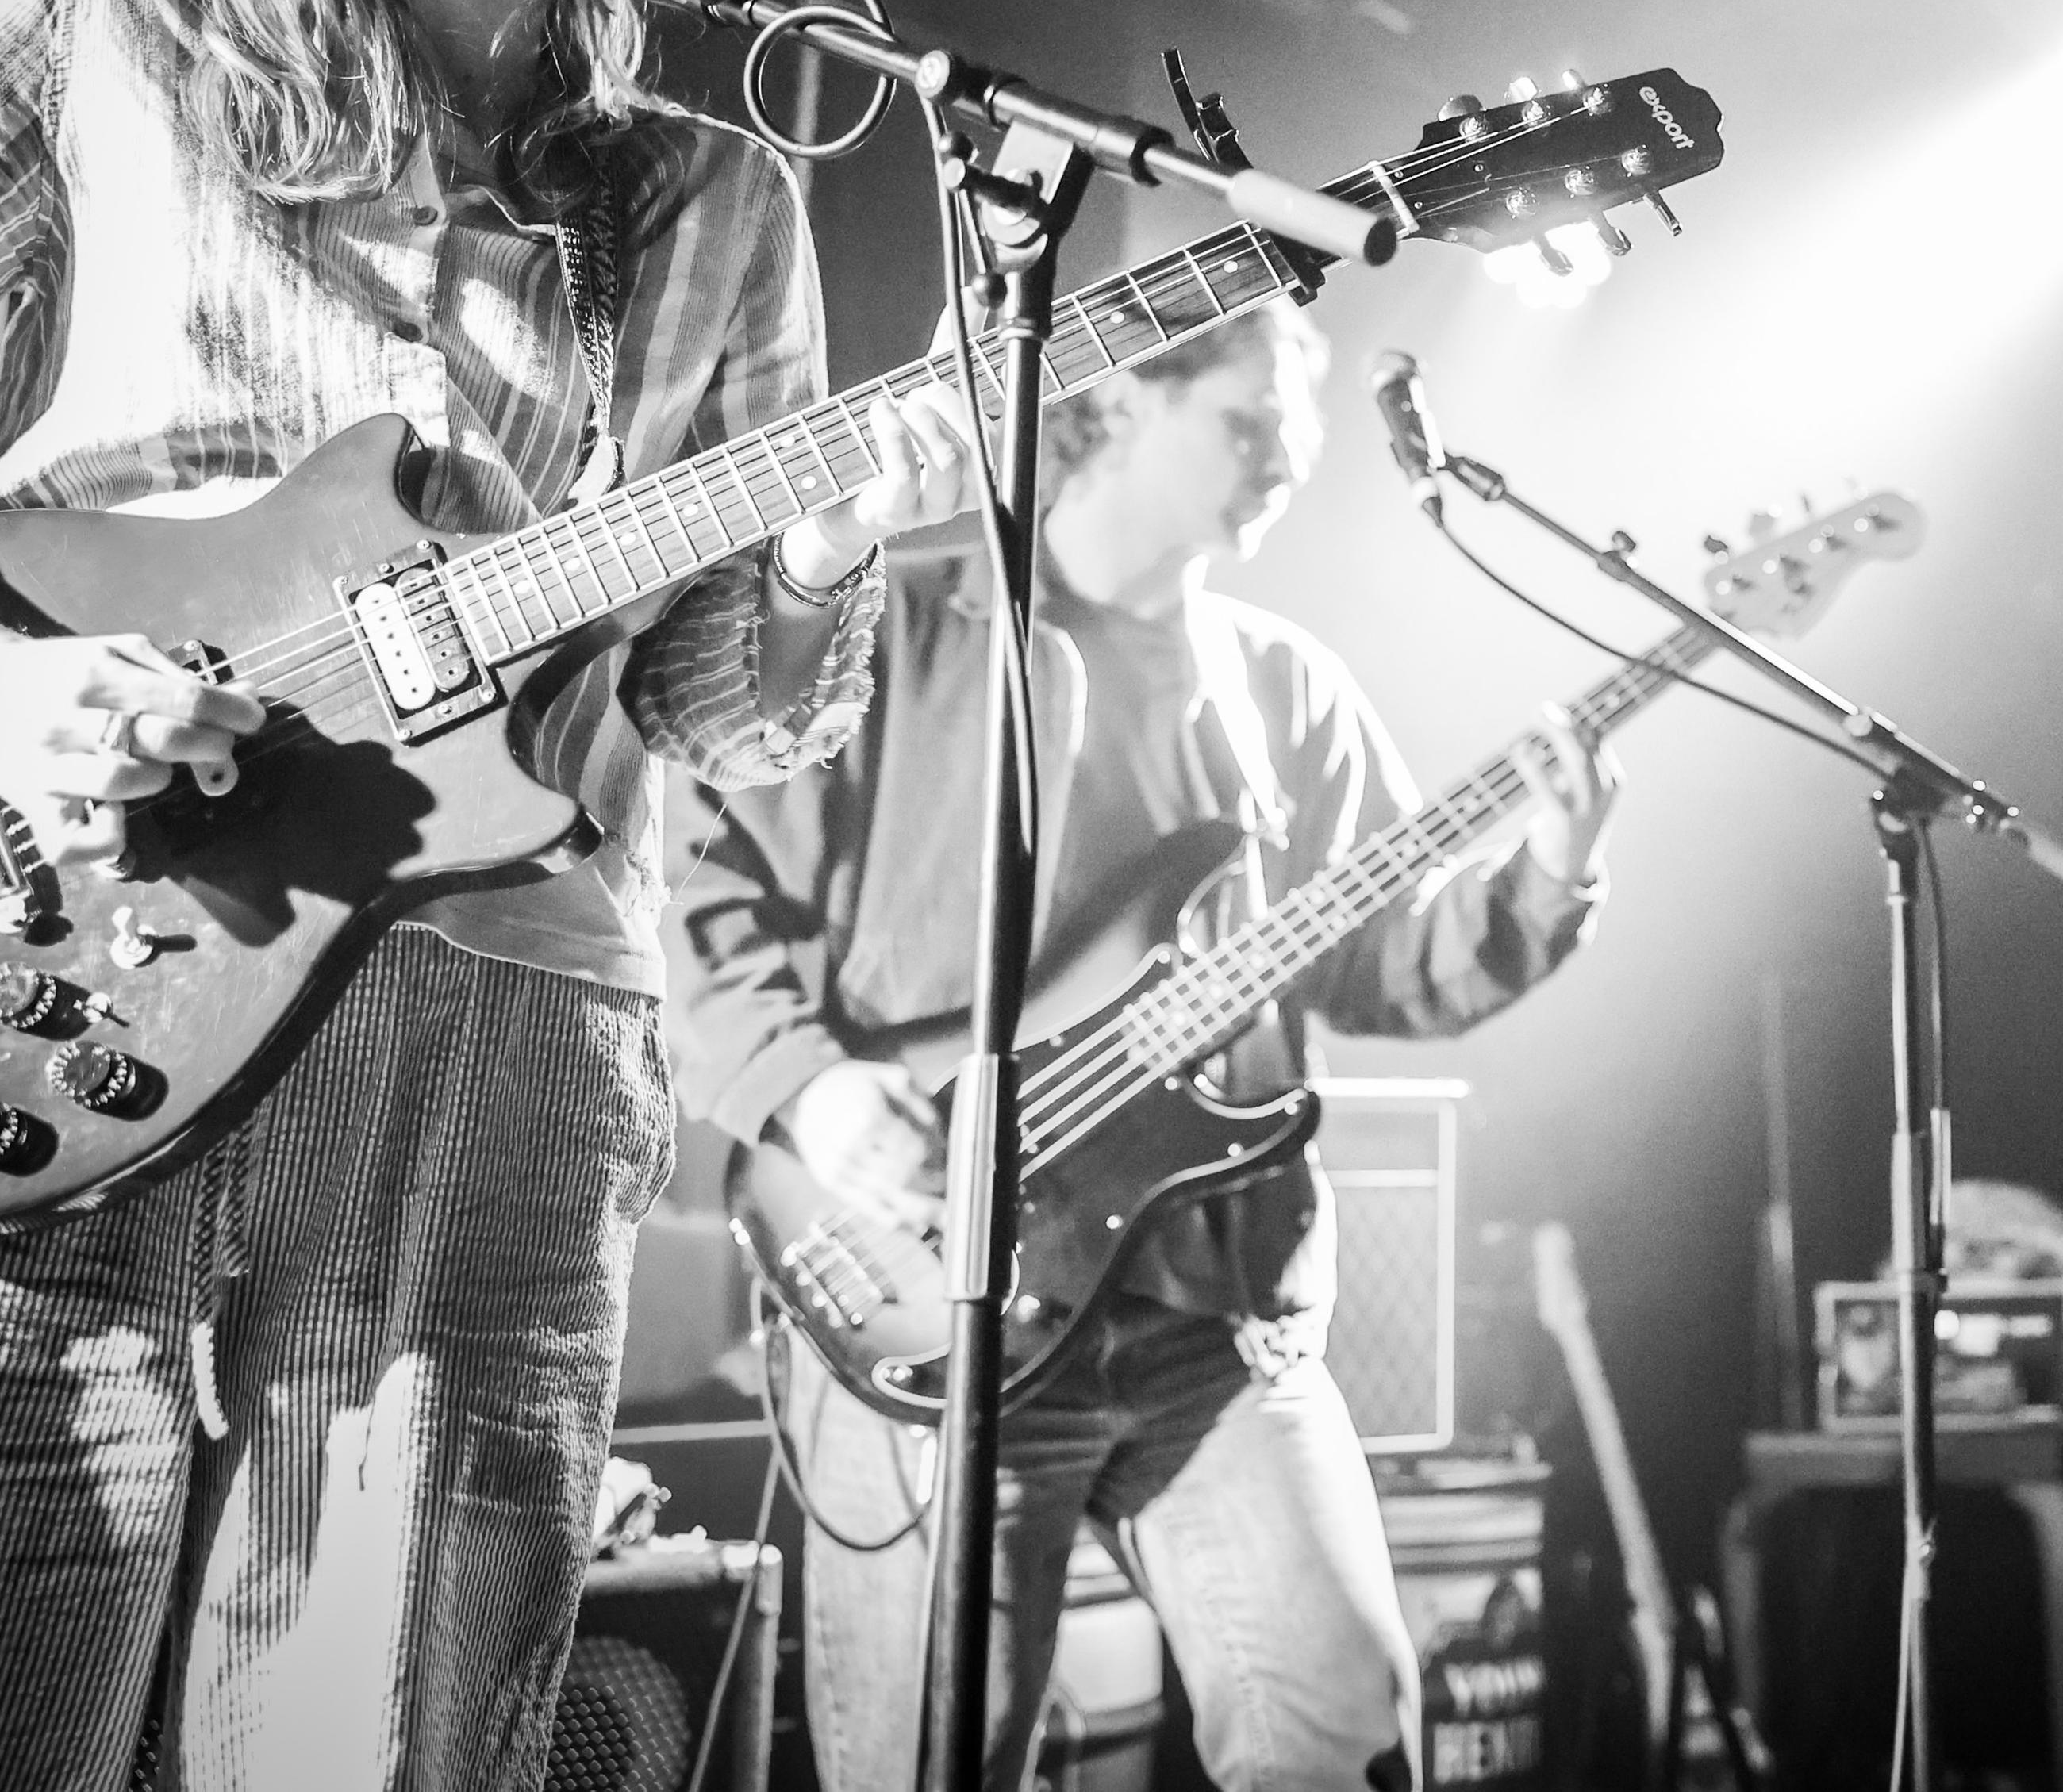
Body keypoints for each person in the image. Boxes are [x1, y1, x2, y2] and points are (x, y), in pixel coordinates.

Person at [0, 0, 973, 1790]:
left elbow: (712, 714)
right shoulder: (101, 33)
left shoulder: (713, 191)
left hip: (508, 1034)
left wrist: (836, 550)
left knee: (398, 1729)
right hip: (72, 945)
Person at [666, 297, 1617, 1792]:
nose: (1292, 454)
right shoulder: (899, 625)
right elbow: (698, 891)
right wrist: (810, 1088)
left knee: (1347, 1731)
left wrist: (1548, 870)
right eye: (1248, 418)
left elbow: (1386, 967)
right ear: (1115, 407)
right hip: (933, 1299)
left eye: (1297, 428)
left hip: (1213, 1309)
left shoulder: (1283, 688)